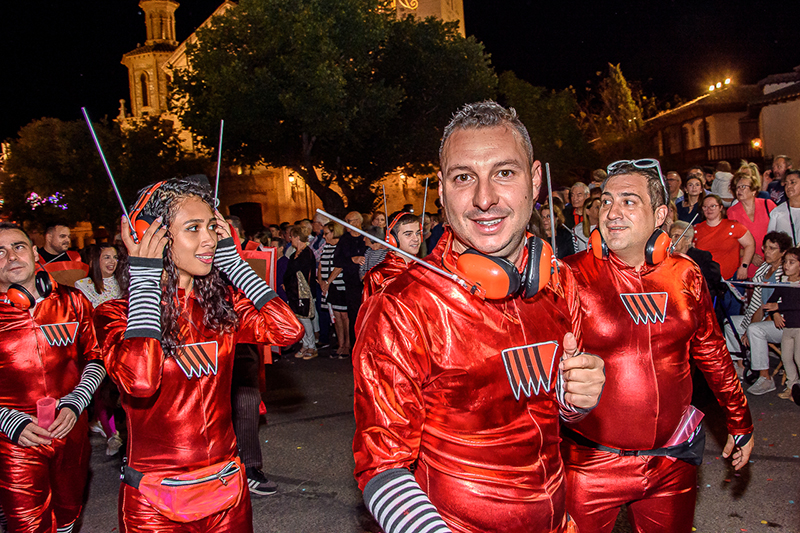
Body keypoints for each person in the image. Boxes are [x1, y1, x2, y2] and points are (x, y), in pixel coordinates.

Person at [353, 101, 605, 533]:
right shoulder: (402, 305)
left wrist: (574, 400)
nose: (484, 199)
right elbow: (381, 466)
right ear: (441, 189)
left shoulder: (560, 280)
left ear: (535, 180)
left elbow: (551, 414)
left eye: (504, 172)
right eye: (463, 177)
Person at [93, 179, 303, 532]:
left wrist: (235, 265)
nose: (209, 239)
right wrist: (145, 279)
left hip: (226, 490)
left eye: (211, 227)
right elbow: (140, 381)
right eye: (193, 228)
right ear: (150, 237)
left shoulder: (220, 308)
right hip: (155, 501)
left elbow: (287, 330)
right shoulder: (115, 315)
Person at [562, 159, 754, 533]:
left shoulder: (685, 272)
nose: (612, 213)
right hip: (590, 466)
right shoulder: (569, 274)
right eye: (606, 201)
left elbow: (712, 351)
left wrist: (739, 419)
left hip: (672, 462)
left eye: (629, 201)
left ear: (660, 214)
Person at [0, 222, 105, 533]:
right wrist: (5, 419)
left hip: (71, 431)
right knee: (28, 526)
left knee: (68, 515)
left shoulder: (73, 301)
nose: (11, 256)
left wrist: (76, 402)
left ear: (35, 253)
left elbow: (96, 357)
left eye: (18, 247)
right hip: (14, 442)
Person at [75, 243, 129, 456]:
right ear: (94, 261)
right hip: (98, 347)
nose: (112, 262)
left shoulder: (123, 283)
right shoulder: (82, 286)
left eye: (115, 257)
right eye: (107, 257)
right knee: (103, 392)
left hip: (123, 346)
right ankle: (112, 436)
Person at [739, 234, 793, 395]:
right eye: (765, 248)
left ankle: (765, 378)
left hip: (785, 322)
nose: (766, 252)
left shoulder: (787, 273)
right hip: (764, 317)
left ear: (783, 252)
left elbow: (778, 308)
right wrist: (748, 326)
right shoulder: (763, 269)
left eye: (772, 249)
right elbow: (758, 305)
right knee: (731, 324)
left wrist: (752, 328)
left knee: (755, 330)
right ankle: (740, 366)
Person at [694, 194, 755, 316]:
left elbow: (750, 244)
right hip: (707, 283)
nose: (709, 209)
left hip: (731, 280)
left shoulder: (734, 226)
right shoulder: (696, 230)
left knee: (732, 316)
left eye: (713, 206)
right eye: (705, 207)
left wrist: (744, 266)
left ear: (720, 207)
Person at [764, 248, 800, 400]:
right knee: (786, 358)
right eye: (785, 262)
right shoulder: (783, 282)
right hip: (788, 327)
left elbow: (796, 304)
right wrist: (776, 314)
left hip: (799, 328)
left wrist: (778, 307)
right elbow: (771, 301)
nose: (786, 266)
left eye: (791, 262)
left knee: (799, 358)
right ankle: (792, 386)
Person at [727, 171, 777, 276]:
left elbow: (779, 233)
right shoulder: (732, 211)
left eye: (743, 187)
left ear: (753, 190)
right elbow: (731, 243)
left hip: (771, 259)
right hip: (747, 262)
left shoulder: (768, 205)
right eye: (737, 188)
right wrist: (751, 256)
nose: (739, 190)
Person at [362, 212, 421, 298]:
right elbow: (369, 305)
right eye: (408, 234)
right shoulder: (379, 275)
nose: (416, 239)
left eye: (418, 233)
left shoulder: (426, 268)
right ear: (393, 238)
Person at [333, 212, 367, 356]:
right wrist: (352, 260)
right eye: (345, 220)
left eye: (349, 220)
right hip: (351, 283)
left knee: (367, 315)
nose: (346, 223)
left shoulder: (366, 237)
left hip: (367, 283)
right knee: (354, 316)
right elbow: (337, 260)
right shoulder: (344, 239)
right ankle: (355, 347)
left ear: (358, 221)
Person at [317, 222, 349, 358]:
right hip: (330, 287)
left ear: (334, 232)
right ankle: (340, 344)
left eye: (326, 233)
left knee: (344, 316)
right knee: (335, 316)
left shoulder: (342, 246)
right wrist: (321, 282)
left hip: (341, 285)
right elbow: (320, 266)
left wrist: (327, 282)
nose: (324, 237)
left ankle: (347, 344)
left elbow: (339, 266)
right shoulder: (326, 247)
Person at [285, 225, 317, 360]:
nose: (290, 239)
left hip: (303, 292)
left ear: (297, 237)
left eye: (292, 236)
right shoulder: (294, 254)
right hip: (293, 291)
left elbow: (301, 271)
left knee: (305, 318)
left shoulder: (307, 254)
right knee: (298, 318)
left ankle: (312, 346)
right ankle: (305, 344)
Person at [767, 170, 800, 246]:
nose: (788, 187)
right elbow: (770, 240)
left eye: (792, 182)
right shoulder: (777, 212)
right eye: (786, 184)